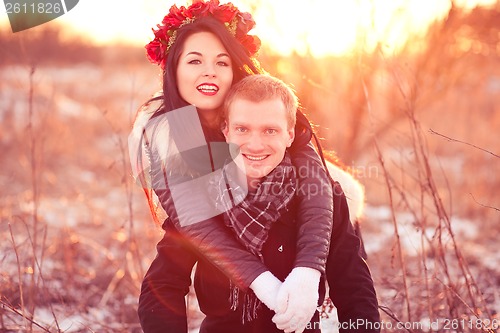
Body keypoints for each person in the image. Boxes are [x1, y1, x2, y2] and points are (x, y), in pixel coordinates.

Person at [128, 0, 379, 332]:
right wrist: (261, 282)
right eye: (243, 130)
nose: (256, 144)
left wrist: (308, 272)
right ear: (226, 129)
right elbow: (163, 285)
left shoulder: (315, 186)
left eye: (221, 61)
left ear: (289, 134)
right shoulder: (193, 181)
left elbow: (353, 283)